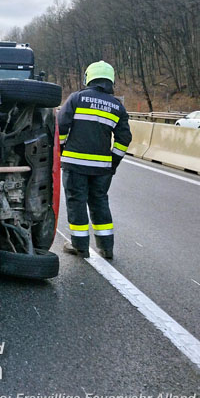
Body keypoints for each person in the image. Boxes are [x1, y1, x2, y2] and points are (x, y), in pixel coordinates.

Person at [57, 60, 132, 259]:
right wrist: (113, 162)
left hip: (75, 165)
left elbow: (61, 128)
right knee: (99, 202)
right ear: (111, 80)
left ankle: (80, 246)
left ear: (88, 78)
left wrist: (62, 151)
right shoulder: (117, 107)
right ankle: (106, 248)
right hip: (101, 168)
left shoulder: (77, 99)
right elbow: (124, 139)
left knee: (76, 202)